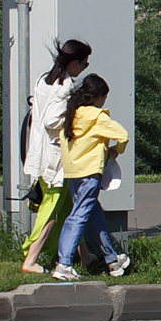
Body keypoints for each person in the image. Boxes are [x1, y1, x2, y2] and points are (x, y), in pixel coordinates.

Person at [20, 39, 92, 274]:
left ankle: (86, 256)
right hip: (56, 158)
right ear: (73, 62)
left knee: (67, 208)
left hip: (40, 152)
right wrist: (73, 118)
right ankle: (31, 259)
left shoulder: (44, 79)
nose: (84, 67)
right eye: (83, 63)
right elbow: (52, 120)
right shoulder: (65, 87)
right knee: (51, 209)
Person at [52, 74, 132, 281]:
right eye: (104, 97)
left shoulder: (72, 114)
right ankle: (64, 264)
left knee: (94, 216)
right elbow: (123, 135)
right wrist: (116, 151)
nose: (104, 101)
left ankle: (112, 260)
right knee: (78, 217)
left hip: (73, 173)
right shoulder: (98, 117)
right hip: (90, 174)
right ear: (97, 97)